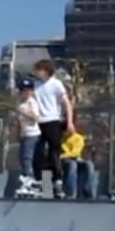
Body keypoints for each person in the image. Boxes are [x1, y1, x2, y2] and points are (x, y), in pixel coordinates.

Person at [31, 59, 74, 198]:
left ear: (46, 71)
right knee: (39, 154)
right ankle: (43, 184)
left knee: (53, 152)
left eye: (39, 70)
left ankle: (58, 181)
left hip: (53, 121)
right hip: (39, 122)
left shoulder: (56, 84)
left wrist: (70, 122)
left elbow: (66, 103)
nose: (37, 73)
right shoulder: (36, 85)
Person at [14, 77, 42, 196]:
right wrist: (18, 133)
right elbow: (19, 121)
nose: (25, 93)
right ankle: (32, 183)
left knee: (27, 158)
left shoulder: (32, 102)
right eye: (23, 90)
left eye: (28, 90)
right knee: (22, 158)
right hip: (24, 134)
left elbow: (36, 117)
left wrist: (23, 112)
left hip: (32, 134)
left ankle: (29, 180)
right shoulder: (20, 103)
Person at [60, 126, 94, 199]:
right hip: (63, 160)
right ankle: (70, 193)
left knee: (89, 164)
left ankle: (87, 190)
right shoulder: (60, 138)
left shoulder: (78, 138)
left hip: (73, 158)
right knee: (72, 165)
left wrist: (64, 155)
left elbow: (75, 153)